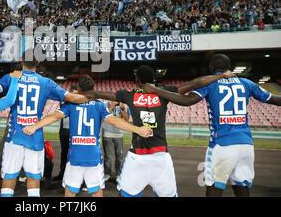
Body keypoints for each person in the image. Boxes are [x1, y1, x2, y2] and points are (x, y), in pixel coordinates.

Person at [81, 65, 235, 197]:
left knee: (125, 194)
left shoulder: (129, 95)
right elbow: (195, 83)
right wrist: (220, 76)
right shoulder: (164, 93)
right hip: (161, 156)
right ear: (153, 79)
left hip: (137, 156)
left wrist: (75, 95)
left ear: (137, 80)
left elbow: (97, 94)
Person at [141, 54, 281, 197]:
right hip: (246, 145)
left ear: (211, 68)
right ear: (230, 67)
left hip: (222, 143)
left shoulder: (211, 83)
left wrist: (157, 90)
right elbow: (276, 99)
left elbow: (186, 100)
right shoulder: (246, 83)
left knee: (214, 187)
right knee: (242, 187)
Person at [0, 50, 92, 198]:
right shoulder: (46, 82)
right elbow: (72, 98)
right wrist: (92, 97)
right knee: (33, 179)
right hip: (35, 137)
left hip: (14, 136)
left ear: (21, 61)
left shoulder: (10, 78)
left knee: (9, 177)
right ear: (38, 63)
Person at [22, 75, 152, 197]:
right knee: (96, 191)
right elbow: (115, 121)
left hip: (75, 156)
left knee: (70, 190)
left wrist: (34, 126)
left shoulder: (71, 105)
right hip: (93, 156)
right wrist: (138, 129)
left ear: (78, 90)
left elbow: (54, 116)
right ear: (93, 89)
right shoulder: (100, 106)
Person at [53, 85, 78, 181]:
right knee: (64, 153)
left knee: (75, 154)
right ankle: (62, 173)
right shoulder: (64, 101)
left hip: (75, 131)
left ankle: (74, 176)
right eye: (73, 94)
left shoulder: (80, 102)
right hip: (64, 130)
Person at [101, 101, 128, 183]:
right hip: (107, 132)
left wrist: (122, 108)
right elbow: (103, 116)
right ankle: (107, 173)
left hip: (119, 133)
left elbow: (127, 119)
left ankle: (119, 174)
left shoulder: (123, 105)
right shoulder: (105, 104)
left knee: (119, 156)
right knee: (108, 156)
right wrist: (111, 106)